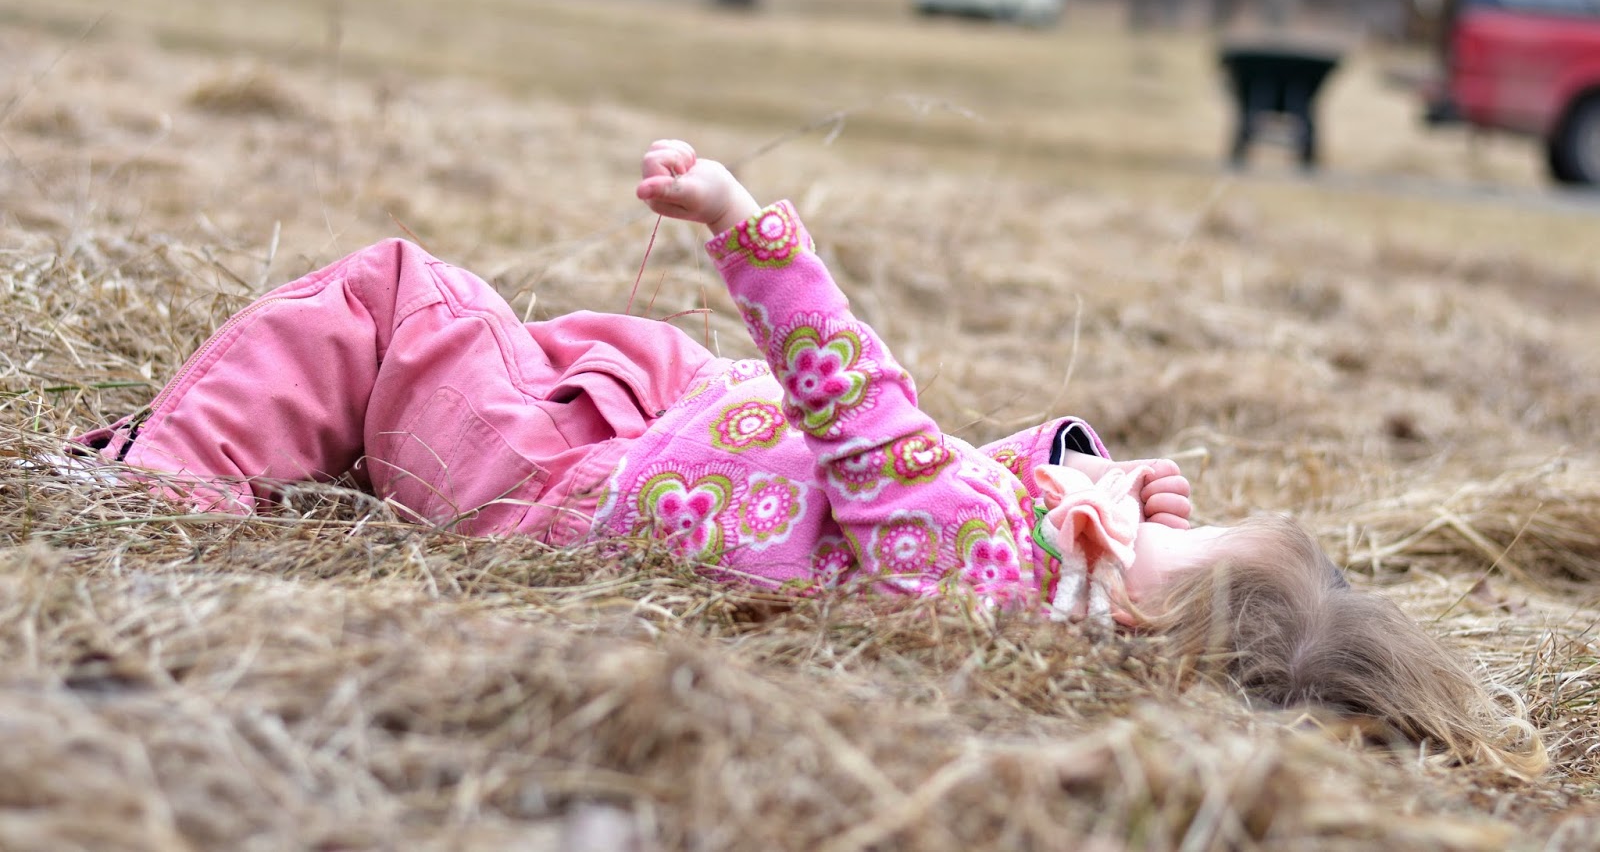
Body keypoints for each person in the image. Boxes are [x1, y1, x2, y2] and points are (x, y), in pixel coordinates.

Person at [74, 139, 1545, 776]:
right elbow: (947, 494)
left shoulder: (968, 543)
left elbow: (869, 411)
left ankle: (164, 478)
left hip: (567, 484)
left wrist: (744, 224)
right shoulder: (1005, 605)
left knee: (396, 298)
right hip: (669, 428)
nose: (1135, 504)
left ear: (1129, 602)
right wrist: (1092, 478)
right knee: (582, 344)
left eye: (1168, 535)